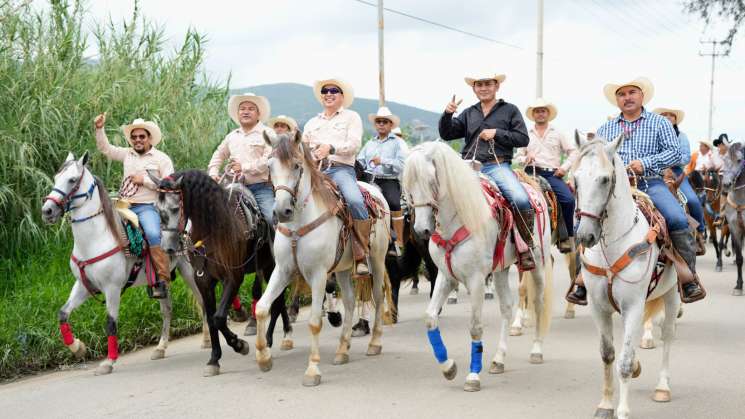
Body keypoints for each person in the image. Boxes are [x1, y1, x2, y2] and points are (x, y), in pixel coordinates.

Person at [567, 77, 705, 304]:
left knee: (677, 218)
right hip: (612, 188)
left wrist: (645, 163)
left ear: (642, 96)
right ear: (617, 100)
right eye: (622, 94)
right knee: (582, 221)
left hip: (650, 183)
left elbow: (675, 154)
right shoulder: (606, 128)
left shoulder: (659, 123)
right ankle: (581, 279)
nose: (627, 97)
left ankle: (688, 278)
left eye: (632, 92)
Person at [438, 72, 536, 270]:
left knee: (520, 199)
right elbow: (447, 133)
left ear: (496, 86)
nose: (483, 88)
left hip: (497, 166)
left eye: (487, 84)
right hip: (467, 167)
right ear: (474, 89)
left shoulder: (510, 110)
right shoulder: (468, 113)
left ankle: (525, 248)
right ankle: (441, 246)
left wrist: (497, 133)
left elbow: (522, 138)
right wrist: (448, 114)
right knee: (438, 196)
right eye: (479, 85)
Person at [93, 113, 174, 298]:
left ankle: (162, 280)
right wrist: (99, 129)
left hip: (147, 206)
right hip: (123, 205)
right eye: (134, 137)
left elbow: (169, 184)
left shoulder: (161, 159)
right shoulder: (126, 154)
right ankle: (100, 275)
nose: (137, 140)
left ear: (149, 138)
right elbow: (105, 148)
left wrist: (145, 180)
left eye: (141, 137)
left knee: (153, 234)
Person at [302, 78, 371, 277]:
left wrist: (331, 148)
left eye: (334, 90)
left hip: (340, 169)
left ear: (342, 96)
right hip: (315, 171)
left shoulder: (351, 117)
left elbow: (354, 144)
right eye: (325, 91)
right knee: (290, 200)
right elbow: (303, 147)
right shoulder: (312, 123)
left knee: (355, 200)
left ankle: (360, 254)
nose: (329, 94)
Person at [515, 98, 578, 253]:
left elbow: (574, 152)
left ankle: (566, 237)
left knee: (568, 200)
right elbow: (518, 156)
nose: (540, 113)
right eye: (537, 111)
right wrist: (525, 158)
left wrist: (564, 168)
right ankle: (517, 238)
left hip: (552, 174)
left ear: (548, 114)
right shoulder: (526, 133)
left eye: (543, 111)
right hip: (529, 173)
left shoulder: (558, 132)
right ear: (533, 115)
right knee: (513, 198)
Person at [208, 93, 275, 225]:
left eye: (251, 109)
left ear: (258, 114)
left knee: (270, 218)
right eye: (242, 109)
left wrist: (244, 167)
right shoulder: (232, 136)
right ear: (238, 113)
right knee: (212, 215)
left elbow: (270, 158)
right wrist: (213, 173)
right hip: (234, 186)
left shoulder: (268, 133)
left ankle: (276, 246)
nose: (246, 112)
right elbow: (219, 153)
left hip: (260, 187)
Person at [653, 107, 706, 254]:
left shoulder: (682, 136)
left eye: (672, 115)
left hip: (676, 173)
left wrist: (666, 160)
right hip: (655, 171)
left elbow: (685, 158)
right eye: (665, 115)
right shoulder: (652, 133)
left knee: (693, 200)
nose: (669, 117)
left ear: (676, 119)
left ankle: (700, 232)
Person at [358, 106, 408, 255]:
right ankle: (361, 239)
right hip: (369, 180)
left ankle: (398, 240)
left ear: (390, 125)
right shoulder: (369, 143)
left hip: (388, 180)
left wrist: (383, 161)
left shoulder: (398, 143)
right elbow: (360, 161)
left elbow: (402, 164)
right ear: (375, 124)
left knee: (393, 202)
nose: (381, 124)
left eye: (384, 122)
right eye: (378, 121)